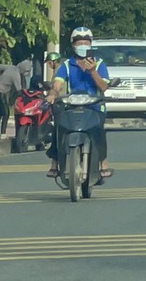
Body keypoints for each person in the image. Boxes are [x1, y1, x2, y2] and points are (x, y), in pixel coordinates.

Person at [45, 27, 113, 181]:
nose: (83, 45)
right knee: (58, 126)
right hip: (71, 106)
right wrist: (52, 94)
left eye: (86, 42)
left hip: (94, 106)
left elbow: (104, 87)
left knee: (100, 130)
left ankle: (103, 161)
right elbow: (57, 83)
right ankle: (55, 161)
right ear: (73, 45)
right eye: (79, 43)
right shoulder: (67, 65)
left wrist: (93, 71)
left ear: (91, 44)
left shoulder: (100, 64)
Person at [0, 56, 23, 136]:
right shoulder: (17, 75)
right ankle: (3, 134)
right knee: (6, 113)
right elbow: (19, 90)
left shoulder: (11, 67)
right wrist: (12, 101)